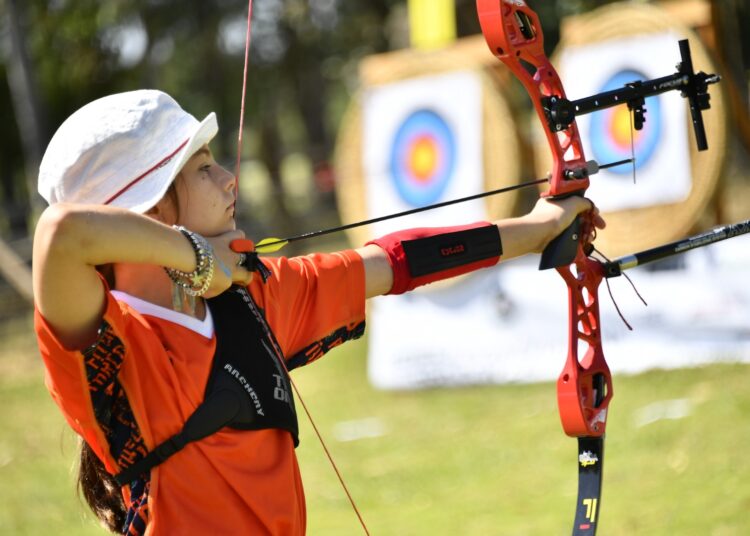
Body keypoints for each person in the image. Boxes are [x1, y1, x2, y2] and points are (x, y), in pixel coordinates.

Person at [32, 89, 604, 535]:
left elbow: (397, 263)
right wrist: (201, 259)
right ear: (154, 205)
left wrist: (536, 230)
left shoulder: (254, 298)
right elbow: (61, 235)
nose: (229, 178)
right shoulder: (109, 348)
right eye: (204, 168)